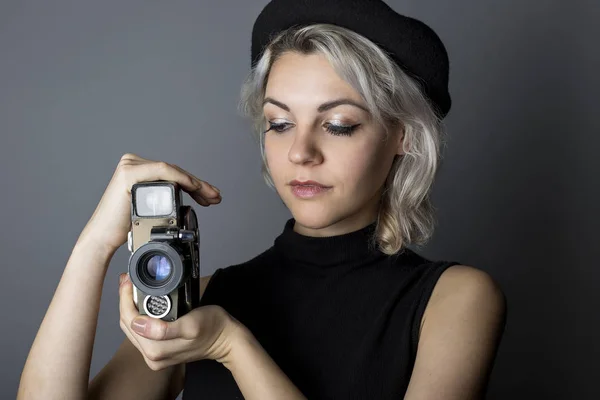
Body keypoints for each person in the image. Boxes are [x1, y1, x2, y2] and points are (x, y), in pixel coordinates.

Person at [17, 0, 507, 399]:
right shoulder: (199, 300)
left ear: (401, 135)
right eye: (279, 123)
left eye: (338, 125)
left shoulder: (455, 300)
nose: (300, 152)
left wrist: (231, 346)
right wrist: (95, 246)